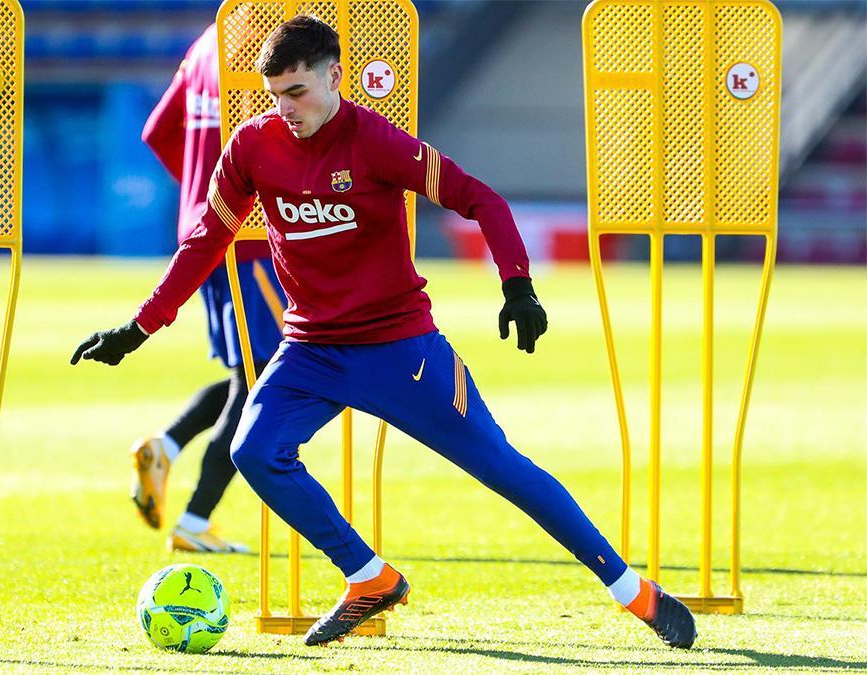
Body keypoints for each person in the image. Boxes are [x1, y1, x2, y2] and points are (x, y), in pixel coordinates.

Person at [72, 16, 697, 649]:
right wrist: (140, 327)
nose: (285, 108)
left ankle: (633, 592)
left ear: (334, 77)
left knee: (501, 469)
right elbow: (207, 238)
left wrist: (518, 286)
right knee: (254, 450)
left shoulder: (376, 142)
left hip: (402, 350)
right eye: (274, 94)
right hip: (311, 349)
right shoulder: (253, 148)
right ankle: (369, 578)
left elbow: (482, 200)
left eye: (297, 92)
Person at [132, 23, 286, 554]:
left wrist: (202, 193)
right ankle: (195, 522)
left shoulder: (208, 41)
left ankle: (167, 446)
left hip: (210, 233)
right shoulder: (271, 42)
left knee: (249, 370)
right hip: (252, 238)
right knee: (264, 380)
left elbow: (158, 131)